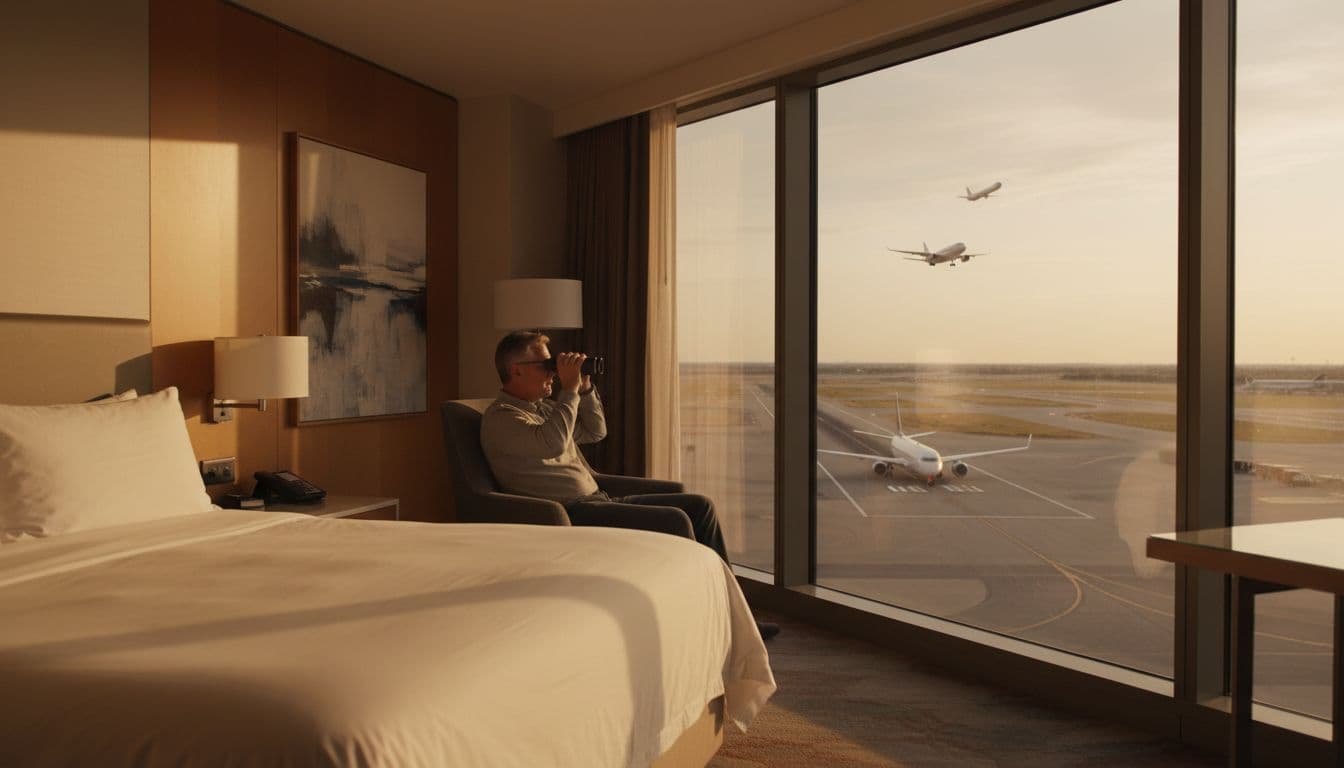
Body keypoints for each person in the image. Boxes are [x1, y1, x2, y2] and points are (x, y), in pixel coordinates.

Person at [480, 330, 779, 640]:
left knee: (699, 506)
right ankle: (700, 623)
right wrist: (568, 392)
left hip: (599, 501)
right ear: (516, 370)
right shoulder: (502, 420)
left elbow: (595, 432)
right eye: (546, 364)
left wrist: (582, 391)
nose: (553, 373)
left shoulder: (542, 410)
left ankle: (732, 616)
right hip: (570, 513)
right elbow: (553, 443)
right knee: (676, 520)